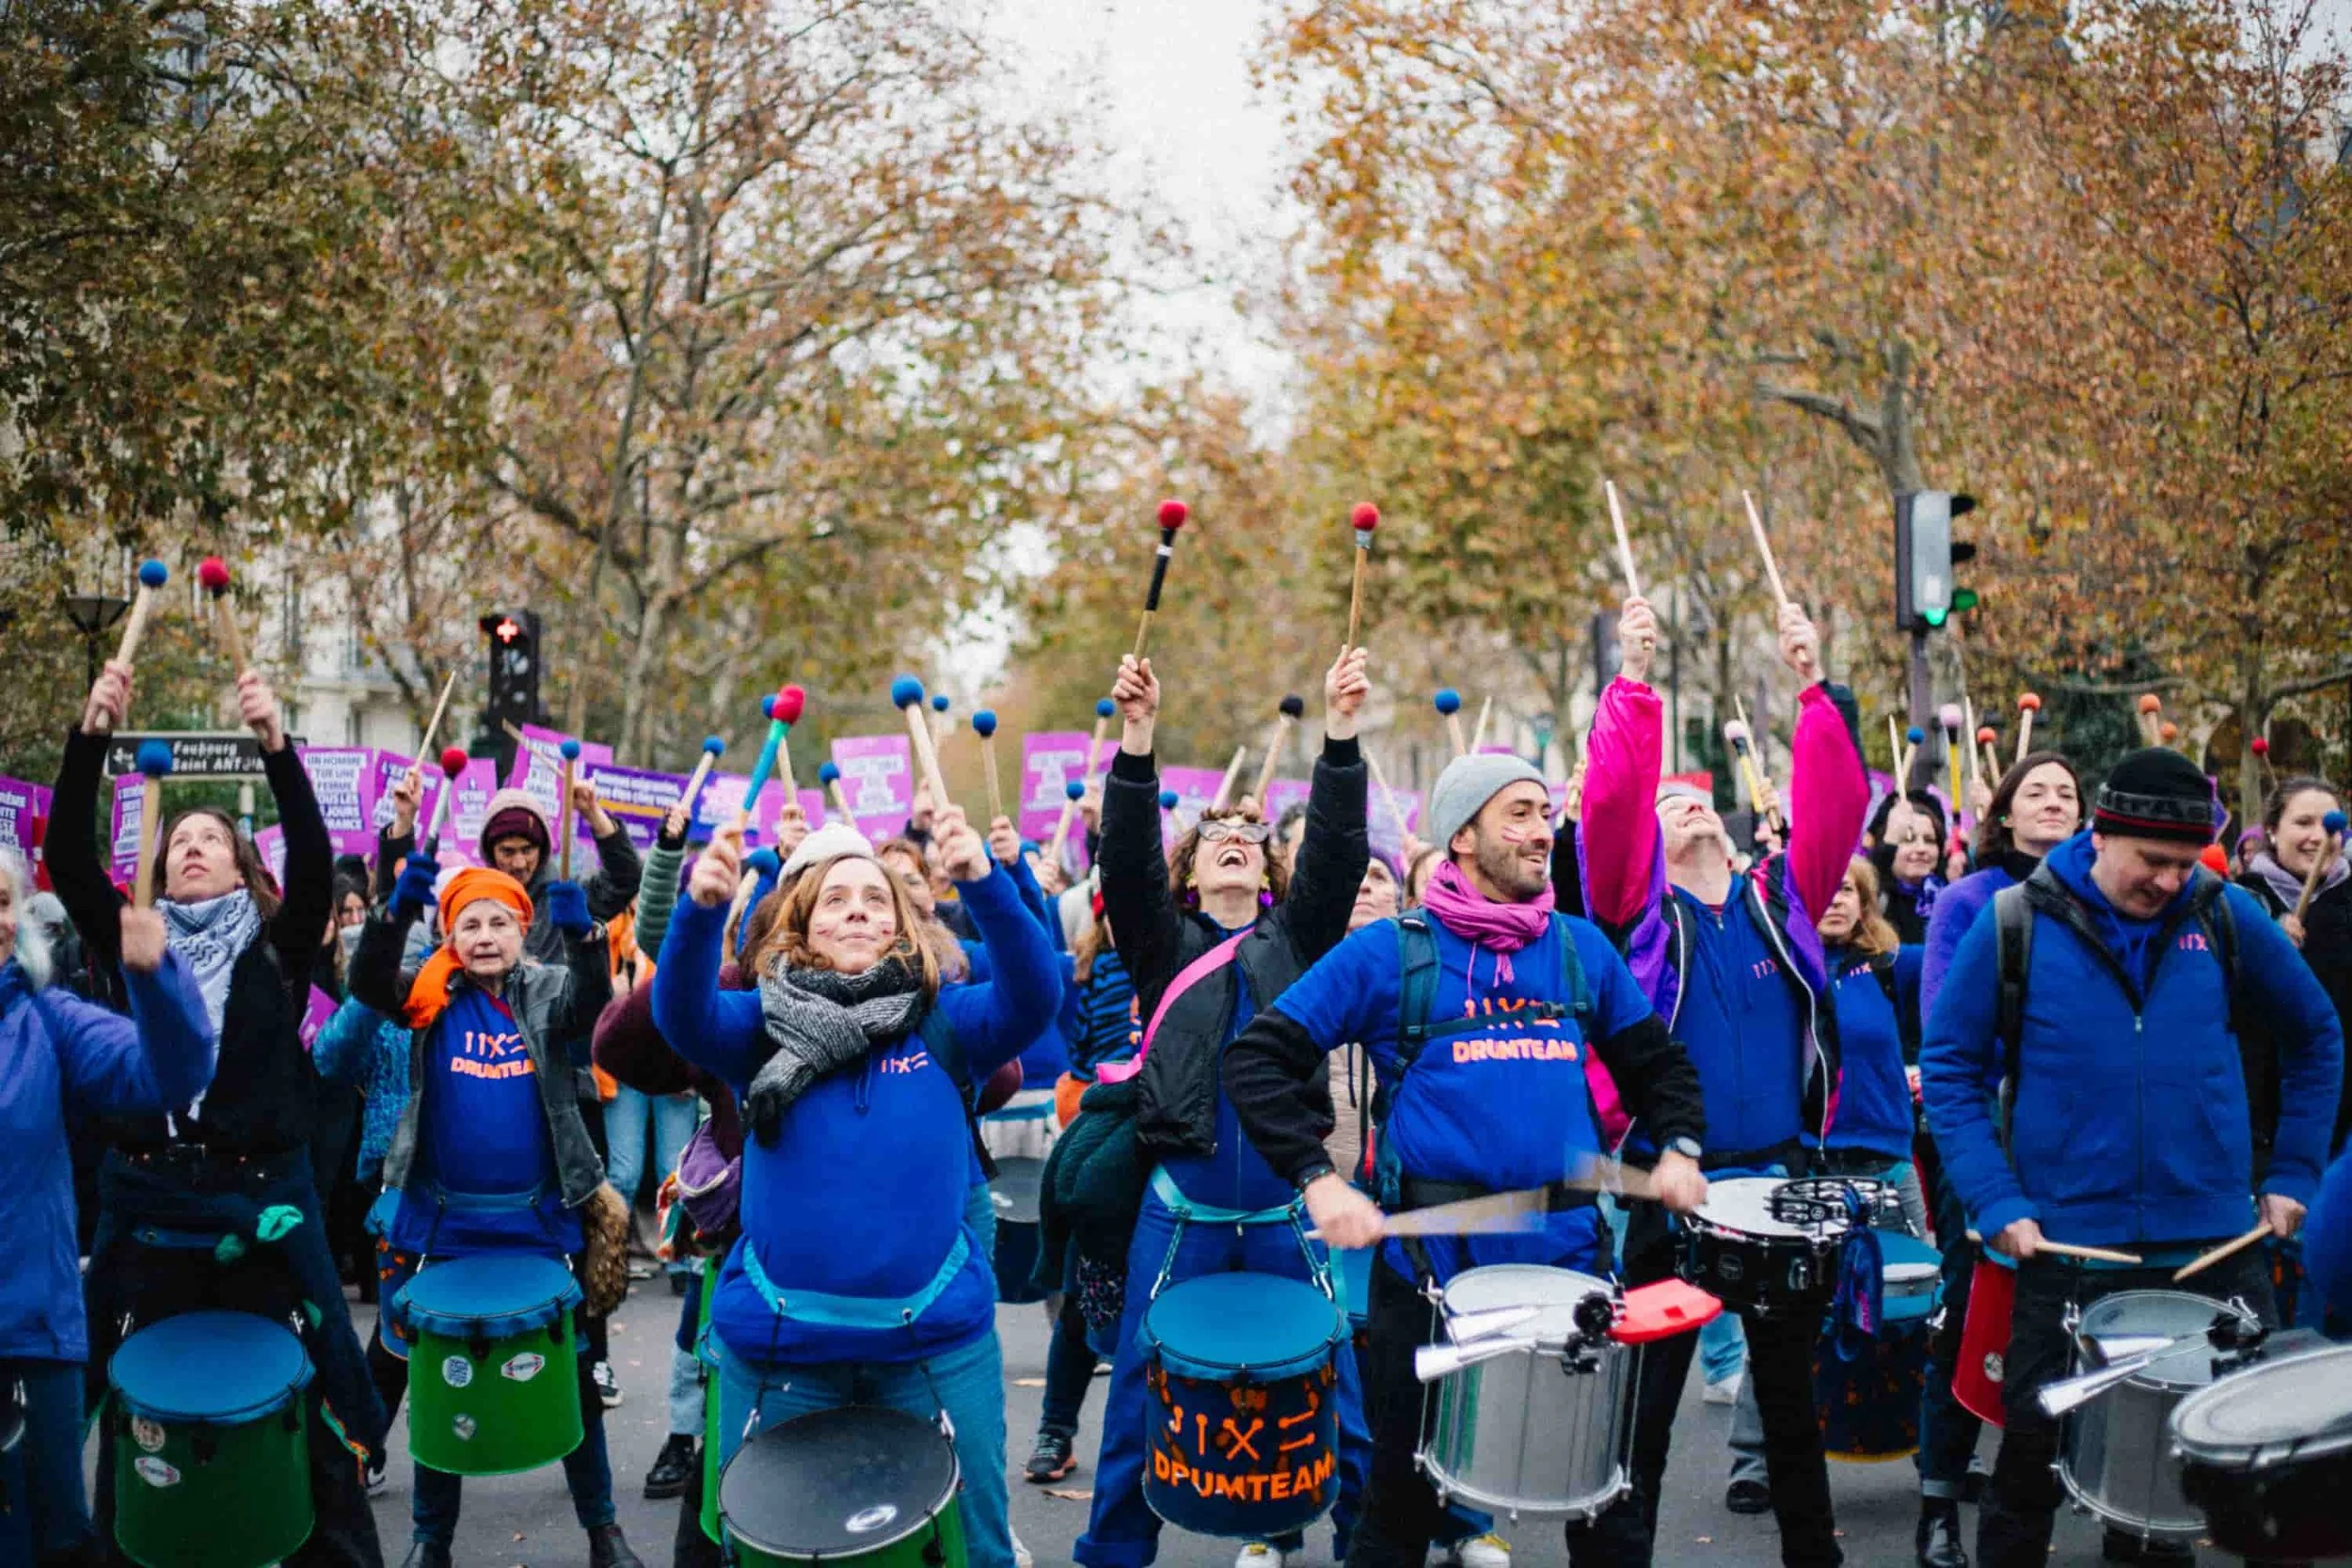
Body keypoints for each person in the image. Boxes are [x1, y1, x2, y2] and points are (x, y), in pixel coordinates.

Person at [1223, 748, 1708, 1568]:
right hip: (1429, 1273)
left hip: (1570, 1269)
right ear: (1461, 838)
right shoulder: (1391, 954)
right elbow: (1255, 1060)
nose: (1539, 831)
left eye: (1544, 815)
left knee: (1606, 1503)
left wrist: (1681, 1150)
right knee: (1400, 1509)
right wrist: (1318, 1181)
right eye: (1517, 813)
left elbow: (1663, 1069)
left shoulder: (1579, 950)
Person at [1920, 747, 2344, 1568]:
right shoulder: (2014, 920)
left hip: (2213, 1255)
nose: (2167, 881)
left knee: (2190, 1496)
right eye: (2152, 861)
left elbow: (2316, 1033)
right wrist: (1994, 1197)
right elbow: (1949, 1065)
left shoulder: (2224, 912)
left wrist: (2294, 1171)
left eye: (2184, 864)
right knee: (2026, 1480)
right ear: (2101, 832)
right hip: (2067, 1255)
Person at [651, 804, 1057, 1568]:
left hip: (935, 1350)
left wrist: (985, 880)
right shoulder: (758, 1026)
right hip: (782, 1351)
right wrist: (700, 913)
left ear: (902, 925)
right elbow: (682, 1017)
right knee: (768, 1552)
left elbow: (1036, 994)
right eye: (835, 898)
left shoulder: (946, 1020)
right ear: (801, 925)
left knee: (980, 1550)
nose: (858, 908)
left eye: (875, 897)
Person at [51, 658, 388, 1568]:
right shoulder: (128, 944)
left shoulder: (280, 948)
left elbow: (314, 862)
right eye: (181, 837)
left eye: (214, 837)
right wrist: (90, 733)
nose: (194, 844)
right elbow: (68, 860)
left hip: (266, 1208)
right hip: (149, 1214)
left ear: (243, 865)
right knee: (135, 1409)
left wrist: (278, 745)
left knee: (316, 1413)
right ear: (159, 859)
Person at [1578, 594, 1868, 1567]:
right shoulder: (1637, 919)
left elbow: (1836, 803)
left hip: (1780, 1182)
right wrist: (1632, 682)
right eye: (1672, 802)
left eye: (1697, 795)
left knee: (1791, 1409)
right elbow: (1613, 806)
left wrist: (1811, 684)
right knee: (1645, 1419)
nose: (1687, 801)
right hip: (1676, 1187)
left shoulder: (1782, 901)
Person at [1073, 647, 1375, 1568]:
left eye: (1249, 832)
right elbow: (1123, 858)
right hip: (1181, 1220)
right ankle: (1113, 1553)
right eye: (1215, 835)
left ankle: (1365, 1546)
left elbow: (1334, 853)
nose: (1235, 834)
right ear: (1190, 873)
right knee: (1136, 1402)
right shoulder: (1163, 944)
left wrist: (1341, 734)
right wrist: (1138, 738)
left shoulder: (1301, 938)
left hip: (1290, 1215)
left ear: (1268, 868)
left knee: (1346, 1404)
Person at [350, 856, 632, 1568]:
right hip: (446, 1229)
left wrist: (584, 939)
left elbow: (593, 1006)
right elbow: (363, 983)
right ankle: (429, 1540)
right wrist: (391, 917)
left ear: (522, 930)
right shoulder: (427, 994)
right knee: (438, 1388)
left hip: (538, 1227)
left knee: (575, 1383)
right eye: (468, 922)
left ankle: (604, 1531)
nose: (484, 934)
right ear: (449, 933)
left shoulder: (546, 989)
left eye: (499, 921)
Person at [0, 848, 215, 1567]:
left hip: (28, 1335)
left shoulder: (47, 1019)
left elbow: (173, 1074)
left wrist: (155, 980)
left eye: (3, 900)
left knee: (45, 1542)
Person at [1908, 749, 2081, 1567]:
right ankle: (1938, 1502)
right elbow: (1950, 1033)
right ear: (2003, 813)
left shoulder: (2100, 902)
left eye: (2067, 793)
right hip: (1982, 1139)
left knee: (2074, 1319)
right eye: (2035, 791)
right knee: (1969, 1314)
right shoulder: (1970, 901)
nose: (2053, 802)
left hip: (2077, 1149)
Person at [1868, 791, 1947, 944]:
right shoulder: (1872, 899)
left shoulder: (1951, 892)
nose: (1921, 848)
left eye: (1930, 840)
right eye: (1908, 839)